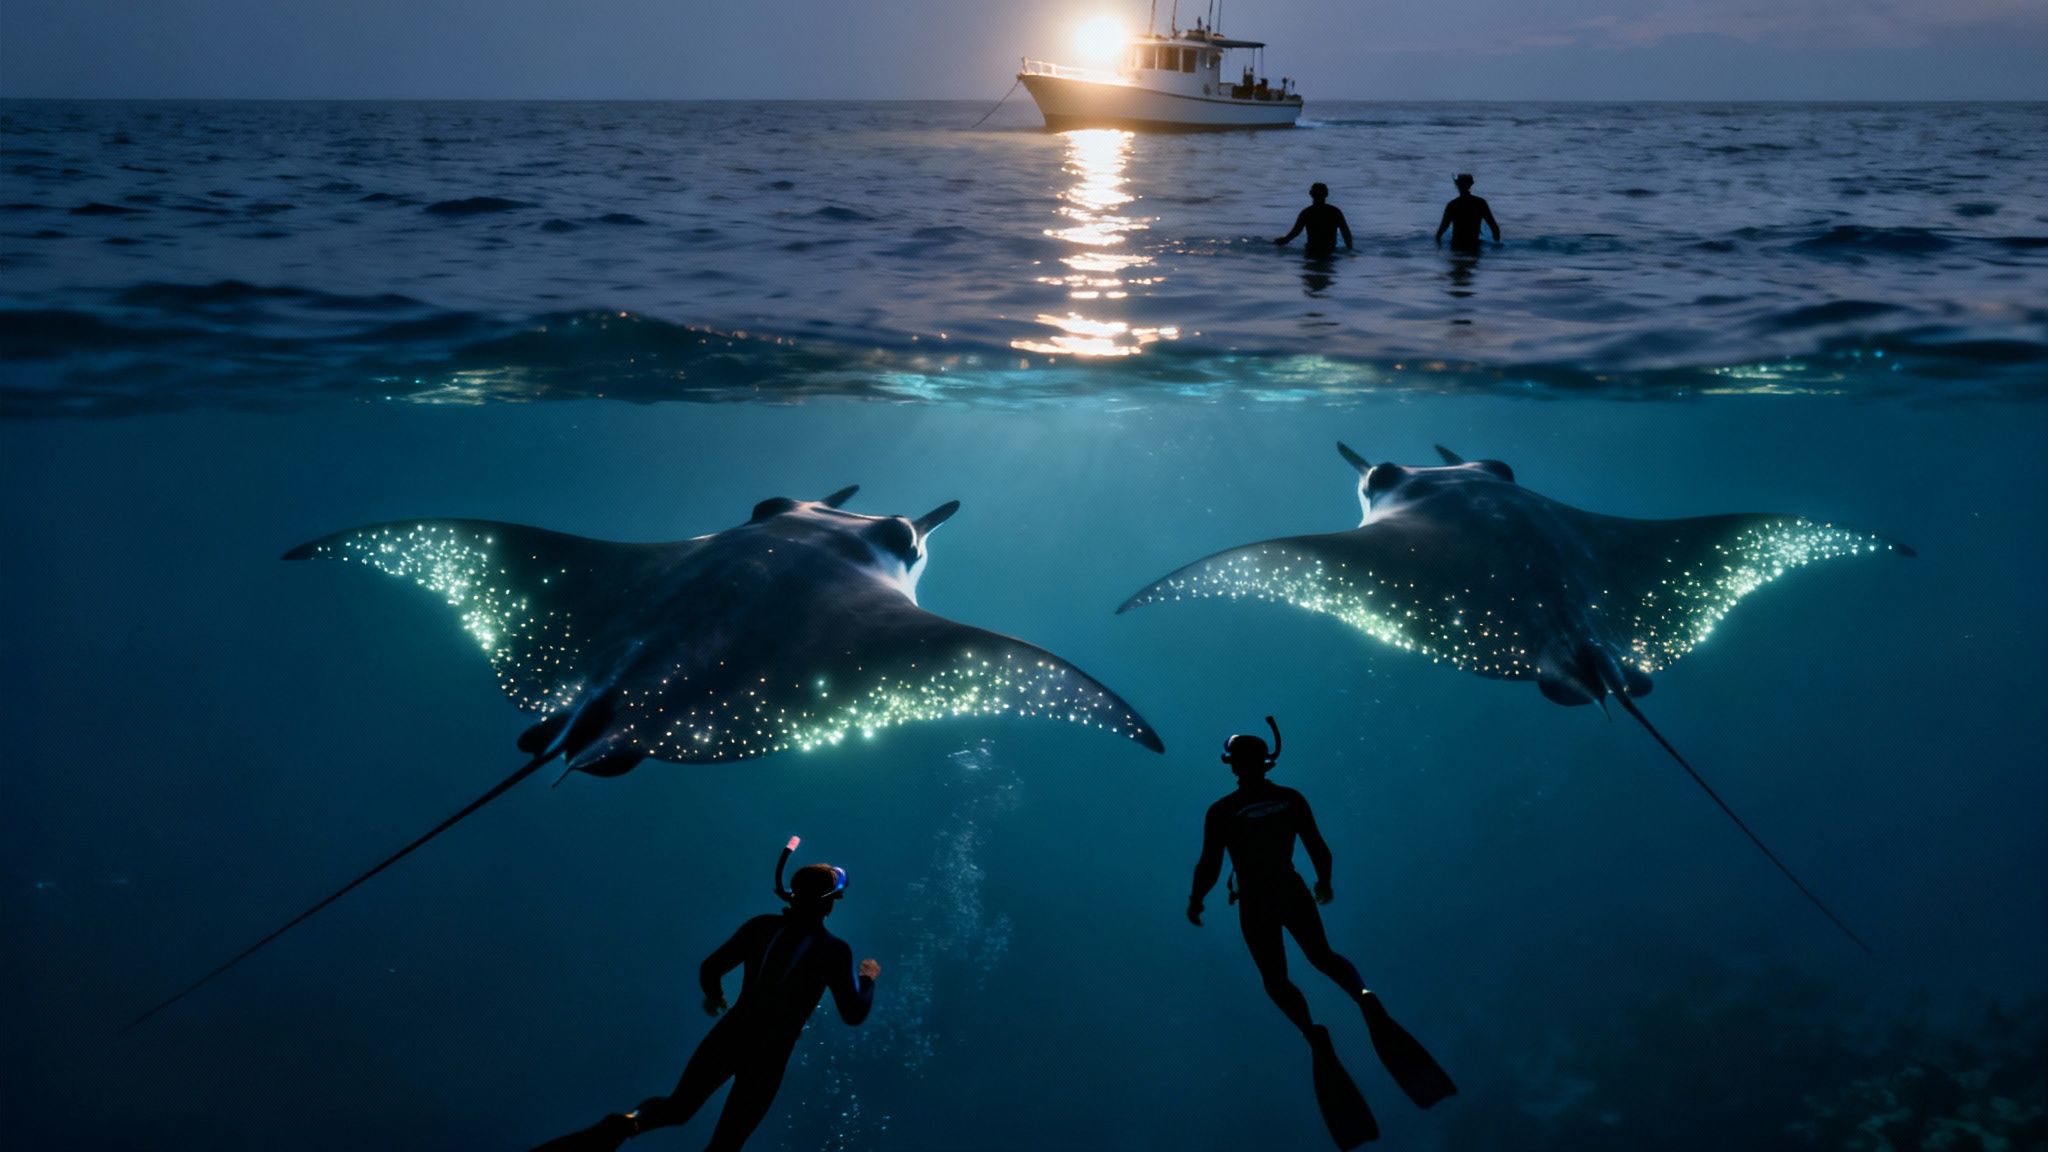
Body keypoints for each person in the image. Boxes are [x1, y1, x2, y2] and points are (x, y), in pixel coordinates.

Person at [536, 840, 879, 1152]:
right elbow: (853, 1014)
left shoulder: (761, 927)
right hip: (770, 1054)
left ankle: (626, 1124)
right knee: (726, 1144)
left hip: (731, 1032)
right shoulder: (833, 952)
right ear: (828, 904)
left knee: (677, 1107)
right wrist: (867, 980)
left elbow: (710, 967)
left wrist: (715, 997)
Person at [1188, 719, 1456, 1118]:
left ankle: (1311, 1030)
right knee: (1323, 956)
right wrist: (1324, 882)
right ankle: (1364, 996)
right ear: (1267, 762)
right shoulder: (1292, 799)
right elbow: (1318, 846)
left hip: (1256, 902)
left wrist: (1197, 900)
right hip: (1292, 890)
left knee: (1275, 978)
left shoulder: (1222, 812)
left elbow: (1210, 864)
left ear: (1232, 766)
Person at [1274, 183, 1353, 258]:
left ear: (1311, 194)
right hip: (1330, 251)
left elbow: (1295, 232)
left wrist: (1283, 241)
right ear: (1326, 194)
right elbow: (1345, 232)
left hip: (1311, 251)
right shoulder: (1335, 212)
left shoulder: (1307, 212)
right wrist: (1350, 250)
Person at [1434, 173, 1500, 253]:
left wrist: (1437, 246)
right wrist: (1497, 247)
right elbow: (1494, 228)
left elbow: (1442, 229)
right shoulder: (1480, 203)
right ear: (1471, 184)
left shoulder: (1453, 204)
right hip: (1474, 244)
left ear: (1457, 185)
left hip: (1456, 245)